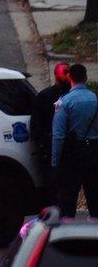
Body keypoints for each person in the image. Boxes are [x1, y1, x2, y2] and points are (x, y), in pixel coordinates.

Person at [52, 64, 98, 218]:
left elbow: (58, 135)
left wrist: (55, 161)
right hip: (93, 153)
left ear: (69, 78)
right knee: (94, 196)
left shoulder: (64, 102)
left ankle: (66, 235)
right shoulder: (94, 99)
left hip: (73, 155)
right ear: (86, 78)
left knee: (68, 199)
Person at [31, 62, 73, 201]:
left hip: (49, 148)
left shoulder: (44, 96)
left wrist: (41, 146)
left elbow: (36, 125)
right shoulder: (75, 97)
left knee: (52, 188)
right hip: (71, 148)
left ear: (55, 77)